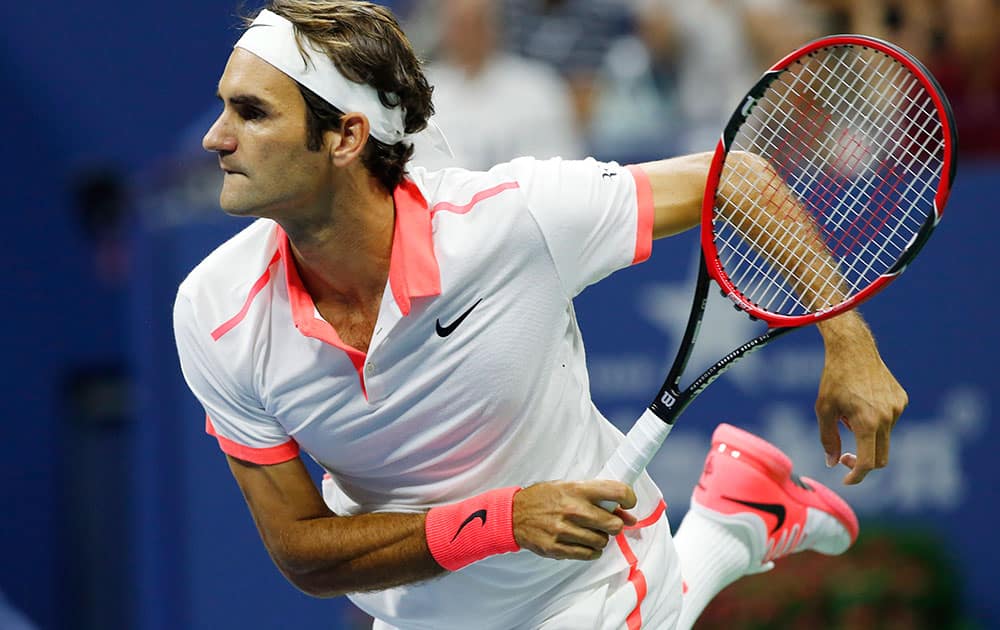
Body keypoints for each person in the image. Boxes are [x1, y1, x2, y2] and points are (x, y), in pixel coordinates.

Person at [173, 2, 907, 628]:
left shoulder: (513, 220)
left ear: (346, 137)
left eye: (252, 112)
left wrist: (850, 343)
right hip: (423, 615)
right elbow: (302, 550)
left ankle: (728, 524)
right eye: (223, 106)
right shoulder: (214, 311)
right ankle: (734, 518)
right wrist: (505, 519)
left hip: (589, 583)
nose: (216, 137)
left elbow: (736, 179)